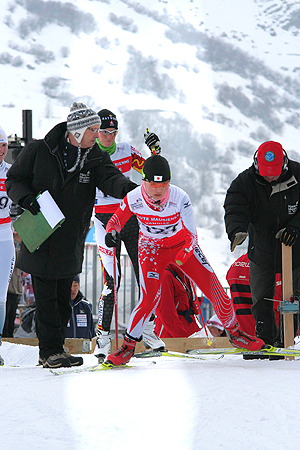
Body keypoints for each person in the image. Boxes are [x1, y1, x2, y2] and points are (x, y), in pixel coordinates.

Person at [5, 102, 137, 369]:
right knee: (46, 297)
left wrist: (132, 191)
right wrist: (26, 198)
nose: (97, 135)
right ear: (76, 131)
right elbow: (14, 180)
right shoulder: (39, 150)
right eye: (93, 130)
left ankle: (54, 350)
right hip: (41, 233)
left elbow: (111, 178)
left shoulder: (94, 156)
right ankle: (50, 350)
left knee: (65, 295)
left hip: (71, 237)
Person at [103, 154, 264, 365]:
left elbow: (192, 236)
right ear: (144, 181)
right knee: (149, 299)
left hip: (182, 246)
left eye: (164, 184)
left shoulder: (180, 197)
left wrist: (181, 257)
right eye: (153, 184)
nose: (159, 190)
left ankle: (235, 333)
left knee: (213, 287)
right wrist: (111, 233)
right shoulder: (133, 198)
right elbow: (115, 221)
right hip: (151, 249)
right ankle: (127, 347)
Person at [93, 109, 164, 361]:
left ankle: (148, 331)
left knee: (145, 275)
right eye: (104, 132)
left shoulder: (126, 150)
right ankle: (102, 338)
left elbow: (152, 172)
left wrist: (155, 151)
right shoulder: (89, 154)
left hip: (130, 217)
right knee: (113, 280)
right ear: (96, 131)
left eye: (113, 132)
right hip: (103, 220)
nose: (109, 137)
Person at [224, 141, 300, 348]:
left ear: (284, 164)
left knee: (294, 298)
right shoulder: (244, 182)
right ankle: (265, 340)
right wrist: (237, 229)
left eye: (274, 173)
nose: (270, 177)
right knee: (260, 300)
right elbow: (234, 206)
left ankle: (289, 339)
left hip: (296, 249)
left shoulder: (298, 174)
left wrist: (295, 227)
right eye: (266, 173)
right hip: (261, 249)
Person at [0, 126, 15, 365]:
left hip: (5, 235)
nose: (0, 150)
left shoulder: (13, 172)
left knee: (1, 295)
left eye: (3, 145)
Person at [154, 262, 202, 338]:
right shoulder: (165, 276)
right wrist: (183, 338)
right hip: (172, 338)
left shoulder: (183, 275)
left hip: (189, 334)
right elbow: (166, 315)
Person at [3, 230, 23, 337]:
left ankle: (7, 342)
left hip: (14, 291)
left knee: (9, 324)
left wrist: (21, 241)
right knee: (4, 323)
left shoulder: (16, 252)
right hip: (5, 292)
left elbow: (24, 257)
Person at [66, 275, 96, 339]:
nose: (72, 289)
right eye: (70, 285)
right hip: (63, 347)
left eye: (75, 285)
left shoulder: (86, 307)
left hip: (83, 347)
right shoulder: (57, 306)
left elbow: (92, 333)